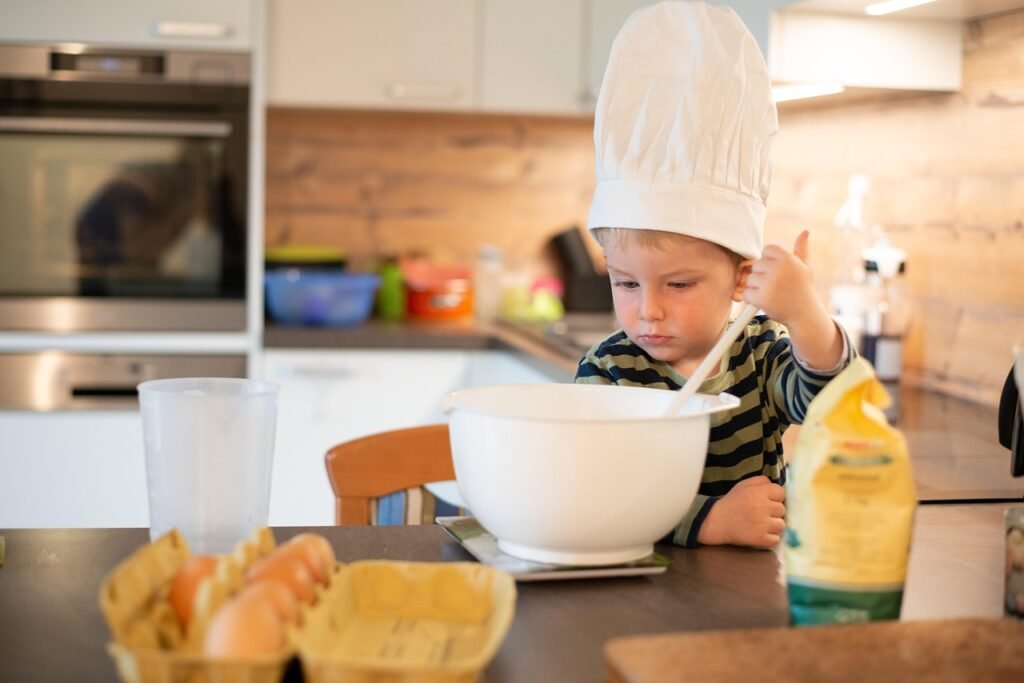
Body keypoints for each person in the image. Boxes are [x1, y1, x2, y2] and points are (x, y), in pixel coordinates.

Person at [575, 1, 854, 549]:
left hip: (749, 600)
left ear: (742, 277)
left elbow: (830, 402)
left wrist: (803, 314)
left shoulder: (759, 353)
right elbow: (597, 491)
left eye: (678, 285)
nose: (647, 310)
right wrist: (709, 523)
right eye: (625, 282)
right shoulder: (609, 370)